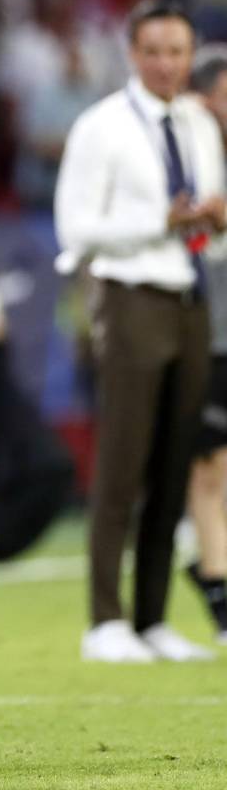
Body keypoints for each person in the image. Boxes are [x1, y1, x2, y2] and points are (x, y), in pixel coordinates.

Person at [55, 0, 226, 663]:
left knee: (173, 460)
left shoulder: (194, 123)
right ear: (131, 53)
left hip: (189, 294)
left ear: (189, 56)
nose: (165, 64)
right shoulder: (100, 127)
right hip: (129, 294)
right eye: (153, 51)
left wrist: (211, 215)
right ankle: (104, 620)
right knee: (122, 462)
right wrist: (157, 220)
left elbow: (204, 215)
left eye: (177, 52)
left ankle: (151, 619)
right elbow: (75, 230)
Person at [184, 47, 227, 643]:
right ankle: (217, 586)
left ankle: (211, 570)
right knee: (209, 460)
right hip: (202, 327)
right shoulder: (186, 153)